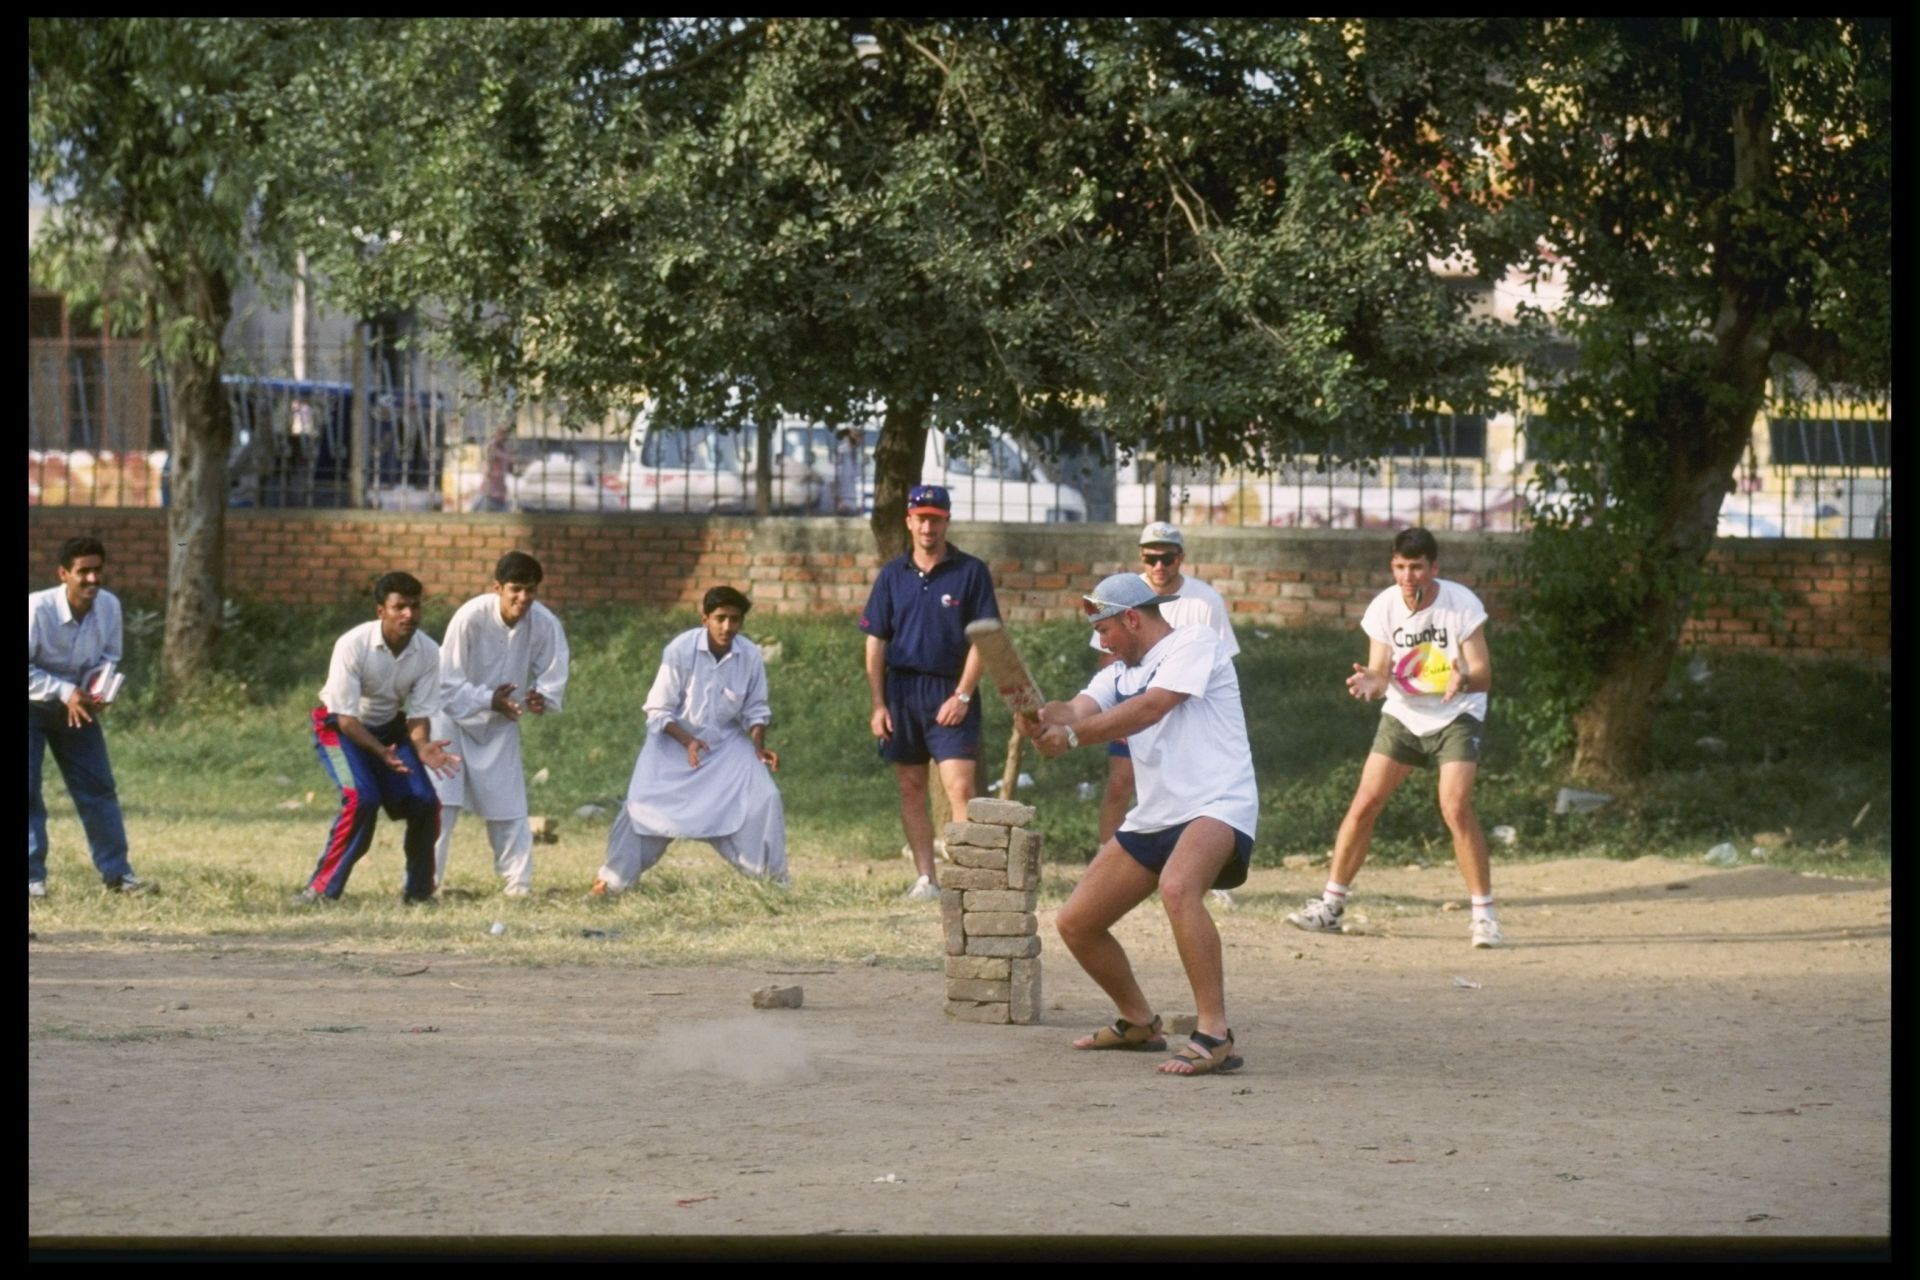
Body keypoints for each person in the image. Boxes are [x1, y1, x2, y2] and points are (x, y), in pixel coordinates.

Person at [1022, 573, 1259, 1076]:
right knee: (1076, 922)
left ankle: (1214, 1033)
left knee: (1178, 887)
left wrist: (1071, 738)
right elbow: (1077, 707)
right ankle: (1138, 1022)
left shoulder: (1196, 642)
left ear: (1132, 618)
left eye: (1105, 631)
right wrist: (1043, 716)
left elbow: (1150, 709)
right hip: (1155, 815)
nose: (1101, 643)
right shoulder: (1117, 671)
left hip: (1217, 803)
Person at [1286, 527, 1502, 948]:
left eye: (1417, 567)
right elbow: (1381, 672)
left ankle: (1484, 915)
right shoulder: (1384, 607)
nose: (1408, 577)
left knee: (1455, 807)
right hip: (1404, 716)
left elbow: (1484, 675)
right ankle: (1331, 906)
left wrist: (1463, 677)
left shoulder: (1461, 604)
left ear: (1433, 568)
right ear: (1392, 566)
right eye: (1401, 567)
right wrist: (1372, 682)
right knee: (1365, 803)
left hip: (1456, 715)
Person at [592, 586, 787, 892]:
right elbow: (657, 710)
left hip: (724, 745)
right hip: (672, 743)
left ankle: (773, 883)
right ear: (705, 619)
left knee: (765, 796)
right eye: (720, 618)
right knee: (642, 808)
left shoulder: (749, 654)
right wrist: (688, 741)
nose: (727, 627)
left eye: (734, 620)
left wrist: (759, 747)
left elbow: (756, 708)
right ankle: (611, 881)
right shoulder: (680, 650)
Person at [859, 484, 1000, 901]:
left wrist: (962, 695)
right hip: (901, 690)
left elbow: (985, 637)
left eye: (935, 518)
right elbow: (875, 641)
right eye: (921, 518)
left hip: (950, 688)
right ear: (908, 521)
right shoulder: (891, 575)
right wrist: (878, 703)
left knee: (959, 785)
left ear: (946, 522)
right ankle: (927, 878)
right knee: (910, 786)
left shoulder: (970, 571)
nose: (928, 526)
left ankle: (965, 877)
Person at [301, 572, 461, 903]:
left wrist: (422, 747)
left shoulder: (428, 651)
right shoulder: (353, 644)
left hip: (389, 729)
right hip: (340, 729)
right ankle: (320, 891)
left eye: (415, 607)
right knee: (363, 799)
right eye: (399, 607)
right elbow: (346, 718)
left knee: (426, 802)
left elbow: (417, 716)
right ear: (380, 611)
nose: (409, 615)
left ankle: (418, 894)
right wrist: (380, 754)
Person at [430, 551, 570, 898]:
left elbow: (553, 672)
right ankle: (425, 883)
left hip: (501, 721)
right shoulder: (470, 617)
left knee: (509, 806)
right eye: (516, 590)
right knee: (442, 806)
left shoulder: (543, 622)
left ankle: (518, 885)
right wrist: (487, 698)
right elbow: (447, 684)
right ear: (498, 588)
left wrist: (542, 697)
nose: (523, 599)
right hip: (451, 721)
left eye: (531, 591)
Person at [1090, 521, 1239, 846]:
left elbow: (1223, 660)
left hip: (1186, 713)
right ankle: (1103, 862)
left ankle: (1203, 866)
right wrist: (1118, 717)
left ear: (1180, 557)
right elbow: (1109, 659)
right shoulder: (1119, 594)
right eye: (1150, 558)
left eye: (1167, 558)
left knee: (1195, 793)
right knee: (1120, 784)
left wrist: (1072, 733)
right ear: (1141, 557)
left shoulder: (1204, 600)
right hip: (1134, 705)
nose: (1159, 566)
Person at [28, 536, 148, 896]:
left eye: (98, 570)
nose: (93, 580)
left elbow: (109, 657)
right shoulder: (37, 609)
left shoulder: (109, 606)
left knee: (98, 788)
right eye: (83, 572)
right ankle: (32, 878)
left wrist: (99, 690)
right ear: (64, 573)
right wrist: (65, 691)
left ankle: (118, 875)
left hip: (77, 708)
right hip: (33, 703)